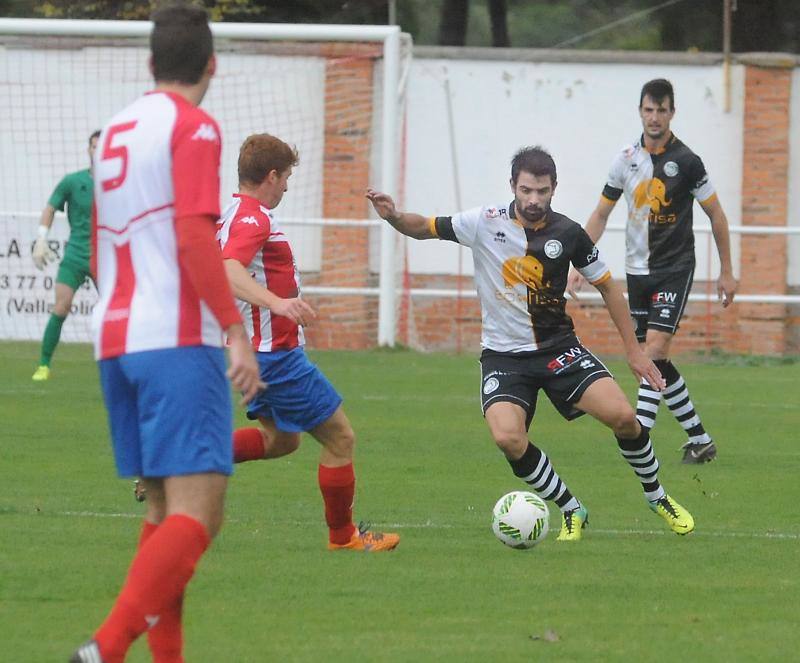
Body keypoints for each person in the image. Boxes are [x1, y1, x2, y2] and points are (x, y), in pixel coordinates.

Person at [367, 146, 695, 542]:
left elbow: (608, 287)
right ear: (513, 186)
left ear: (554, 188)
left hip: (559, 350)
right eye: (526, 190)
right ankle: (570, 507)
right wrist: (394, 216)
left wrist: (634, 351)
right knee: (508, 437)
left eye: (542, 191)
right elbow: (425, 226)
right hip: (505, 358)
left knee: (625, 418)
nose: (534, 199)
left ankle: (657, 497)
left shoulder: (569, 233)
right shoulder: (483, 222)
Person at [70, 5, 263, 663]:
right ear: (212, 65)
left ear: (151, 64)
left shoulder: (117, 130)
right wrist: (234, 329)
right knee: (199, 513)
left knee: (162, 514)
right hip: (175, 338)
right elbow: (192, 233)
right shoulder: (194, 126)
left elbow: (98, 239)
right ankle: (104, 648)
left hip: (115, 336)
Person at [217, 133, 400, 552]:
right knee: (341, 439)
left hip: (260, 353)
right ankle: (344, 537)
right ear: (271, 176)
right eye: (285, 178)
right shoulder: (254, 218)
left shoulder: (233, 213)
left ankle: (182, 459)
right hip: (275, 357)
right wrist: (277, 303)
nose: (286, 187)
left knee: (282, 440)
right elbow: (228, 270)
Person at [567, 78, 738, 464]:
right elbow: (601, 213)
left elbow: (716, 214)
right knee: (653, 358)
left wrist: (727, 270)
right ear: (640, 112)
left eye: (662, 110)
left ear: (672, 113)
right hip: (638, 271)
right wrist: (580, 261)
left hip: (675, 267)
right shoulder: (625, 159)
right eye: (649, 109)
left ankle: (640, 431)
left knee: (654, 349)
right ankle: (700, 440)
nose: (655, 117)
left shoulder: (688, 162)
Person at [31, 130, 100, 381]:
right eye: (94, 146)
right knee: (61, 305)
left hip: (105, 257)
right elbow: (50, 208)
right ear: (88, 150)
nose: (97, 150)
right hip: (76, 254)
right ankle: (43, 365)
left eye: (102, 146)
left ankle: (123, 367)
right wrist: (41, 238)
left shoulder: (118, 182)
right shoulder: (73, 181)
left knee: (116, 311)